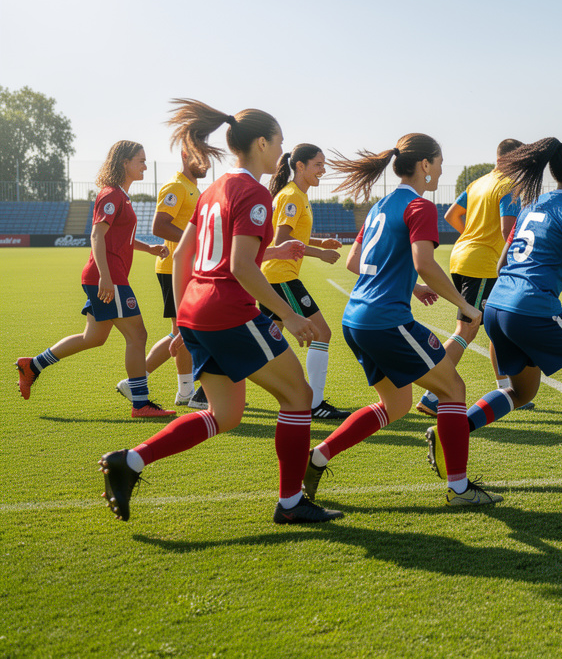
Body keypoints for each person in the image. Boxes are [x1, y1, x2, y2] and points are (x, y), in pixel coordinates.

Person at [98, 99, 340, 524]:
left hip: (196, 309)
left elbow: (185, 253)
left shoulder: (213, 190)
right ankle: (290, 503)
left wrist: (181, 315)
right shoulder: (255, 192)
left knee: (224, 415)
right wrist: (289, 316)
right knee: (299, 396)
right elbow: (240, 266)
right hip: (230, 311)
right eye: (279, 142)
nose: (282, 151)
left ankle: (131, 462)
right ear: (261, 143)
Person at [427, 137, 562, 486]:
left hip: (497, 307)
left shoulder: (531, 206)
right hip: (531, 308)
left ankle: (453, 431)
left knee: (521, 393)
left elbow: (502, 263)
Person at [302, 133, 500, 508]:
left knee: (395, 406)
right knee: (453, 390)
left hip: (356, 319)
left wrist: (410, 286)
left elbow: (355, 263)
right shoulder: (420, 207)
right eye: (439, 163)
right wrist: (466, 306)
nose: (440, 170)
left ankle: (318, 457)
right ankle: (459, 489)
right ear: (425, 165)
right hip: (385, 322)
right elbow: (424, 260)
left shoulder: (380, 206)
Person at [17, 140, 172, 416]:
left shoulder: (121, 195)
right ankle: (141, 403)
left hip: (108, 276)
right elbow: (97, 235)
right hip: (109, 277)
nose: (145, 165)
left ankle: (33, 365)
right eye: (141, 160)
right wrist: (105, 277)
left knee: (94, 337)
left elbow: (120, 237)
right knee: (138, 335)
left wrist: (148, 248)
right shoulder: (111, 194)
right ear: (124, 162)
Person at [417, 139, 521, 416]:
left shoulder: (479, 182)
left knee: (495, 325)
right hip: (483, 264)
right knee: (467, 328)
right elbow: (507, 232)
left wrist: (472, 236)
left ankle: (504, 386)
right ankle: (431, 395)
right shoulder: (510, 185)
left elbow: (452, 215)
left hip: (464, 257)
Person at [259, 143, 350, 421]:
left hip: (276, 276)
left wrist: (319, 241)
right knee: (322, 333)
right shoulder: (293, 196)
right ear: (300, 166)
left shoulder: (296, 195)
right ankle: (315, 404)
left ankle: (212, 377)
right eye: (318, 165)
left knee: (264, 342)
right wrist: (319, 253)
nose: (323, 170)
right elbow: (283, 240)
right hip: (281, 276)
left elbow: (291, 234)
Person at [113, 148, 208, 410]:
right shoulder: (176, 186)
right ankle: (181, 391)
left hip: (188, 268)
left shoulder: (192, 188)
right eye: (203, 155)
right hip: (174, 268)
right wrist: (200, 242)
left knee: (181, 332)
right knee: (185, 332)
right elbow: (159, 226)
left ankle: (184, 391)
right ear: (187, 154)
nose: (208, 161)